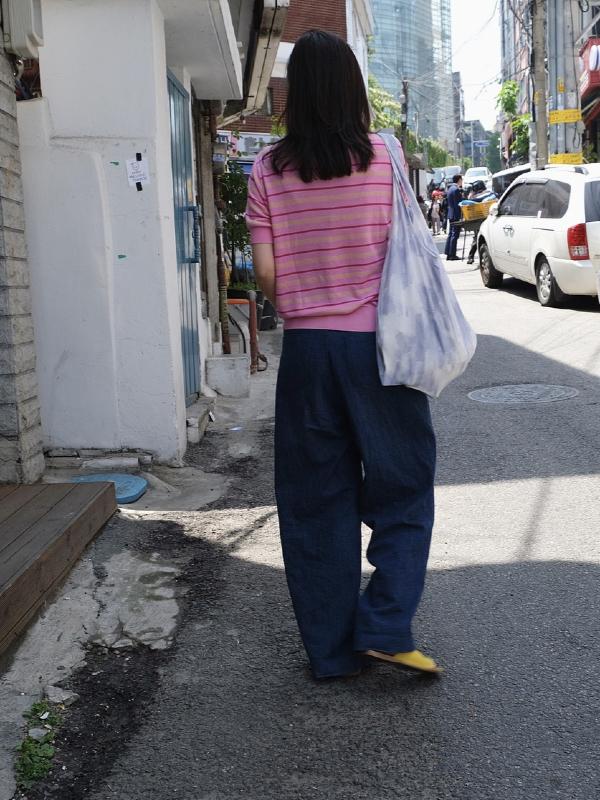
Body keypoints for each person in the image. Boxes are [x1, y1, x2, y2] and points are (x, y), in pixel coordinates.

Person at [245, 29, 440, 680]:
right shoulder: (387, 155)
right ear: (354, 87)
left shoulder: (267, 170)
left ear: (294, 95)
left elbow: (267, 275)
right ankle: (385, 624)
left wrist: (310, 296)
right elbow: (408, 246)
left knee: (315, 501)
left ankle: (331, 653)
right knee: (403, 487)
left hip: (308, 355)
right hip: (382, 348)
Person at [444, 174, 463, 261]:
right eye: (461, 180)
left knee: (451, 234)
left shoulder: (450, 189)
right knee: (455, 234)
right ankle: (452, 254)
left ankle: (448, 253)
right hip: (455, 214)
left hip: (451, 214)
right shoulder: (456, 190)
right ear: (459, 180)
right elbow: (458, 204)